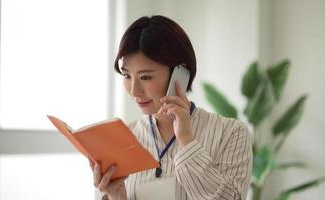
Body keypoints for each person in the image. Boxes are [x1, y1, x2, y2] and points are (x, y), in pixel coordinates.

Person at [92, 15, 252, 200]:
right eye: (127, 76)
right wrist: (115, 195)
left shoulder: (230, 133)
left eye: (145, 77)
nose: (134, 90)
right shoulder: (124, 138)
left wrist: (186, 141)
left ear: (180, 73)